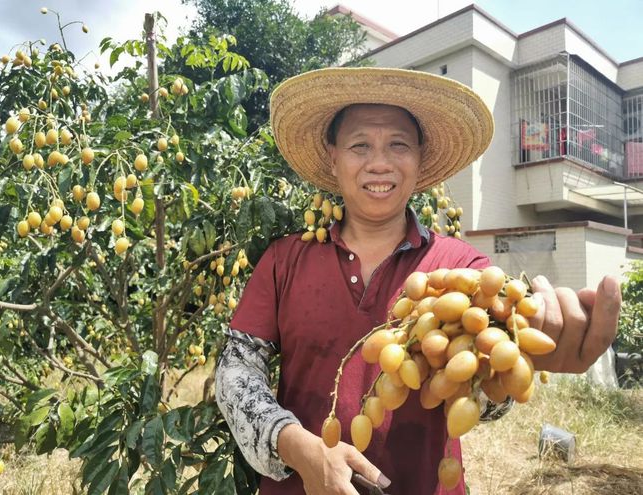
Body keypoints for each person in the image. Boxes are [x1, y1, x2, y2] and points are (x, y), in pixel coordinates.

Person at [215, 67, 622, 495]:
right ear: (332, 158)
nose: (379, 163)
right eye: (359, 145)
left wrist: (503, 369)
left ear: (420, 160)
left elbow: (481, 406)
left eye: (398, 145)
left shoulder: (465, 269)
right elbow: (235, 372)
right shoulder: (285, 259)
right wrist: (298, 448)